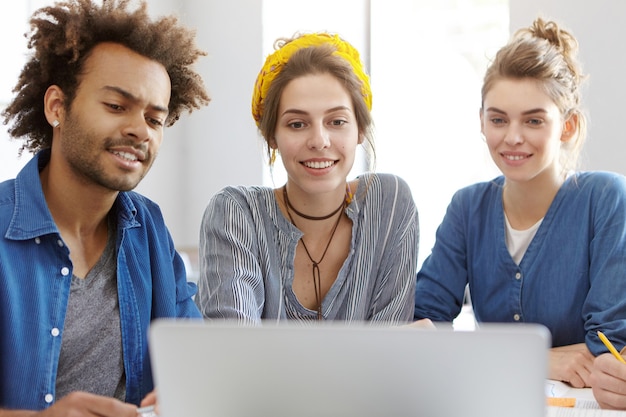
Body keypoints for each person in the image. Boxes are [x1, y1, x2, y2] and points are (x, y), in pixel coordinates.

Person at [0, 0, 209, 415]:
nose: (139, 130)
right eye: (116, 106)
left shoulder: (148, 228)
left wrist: (187, 392)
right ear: (57, 107)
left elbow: (197, 361)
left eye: (155, 119)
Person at [413, 17, 626, 389]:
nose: (512, 137)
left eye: (533, 121)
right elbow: (421, 330)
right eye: (498, 119)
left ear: (568, 126)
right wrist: (542, 359)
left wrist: (476, 351)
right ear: (481, 122)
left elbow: (607, 347)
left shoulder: (606, 200)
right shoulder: (467, 208)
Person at [194, 32, 419, 324]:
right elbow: (234, 355)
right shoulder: (236, 212)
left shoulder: (389, 202)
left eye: (336, 121)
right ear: (272, 135)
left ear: (360, 130)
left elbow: (391, 359)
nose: (319, 140)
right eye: (297, 124)